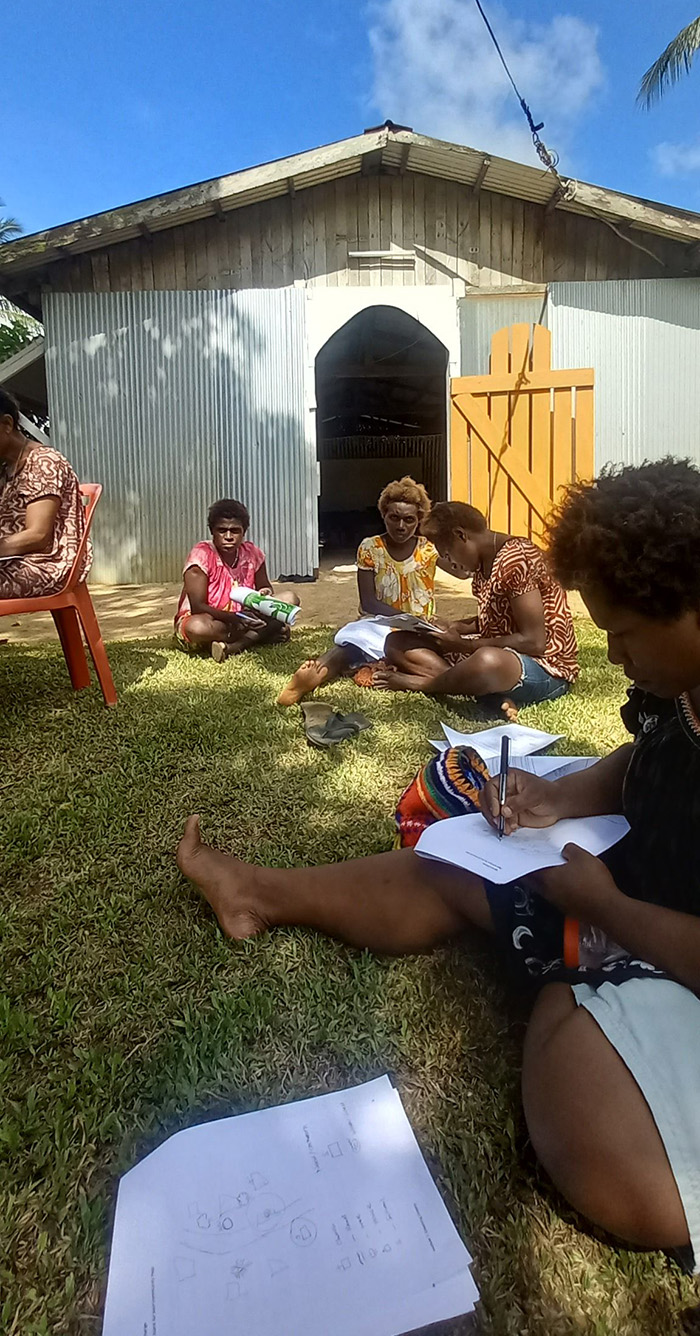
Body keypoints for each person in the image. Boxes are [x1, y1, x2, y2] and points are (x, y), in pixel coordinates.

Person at [178, 458, 700, 1270]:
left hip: (662, 933)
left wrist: (610, 909)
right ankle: (257, 893)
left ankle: (582, 983)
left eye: (627, 632)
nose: (616, 653)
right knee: (456, 859)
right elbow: (647, 760)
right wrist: (559, 798)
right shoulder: (680, 690)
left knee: (613, 1162)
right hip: (639, 897)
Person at [374, 501, 578, 715]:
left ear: (461, 535)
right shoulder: (482, 565)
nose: (451, 563)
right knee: (398, 642)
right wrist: (455, 627)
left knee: (486, 661)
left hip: (544, 667)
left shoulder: (517, 558)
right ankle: (484, 692)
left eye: (447, 554)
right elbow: (497, 619)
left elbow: (534, 642)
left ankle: (423, 684)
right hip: (501, 656)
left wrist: (466, 646)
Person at [278, 476, 440, 705]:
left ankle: (378, 666)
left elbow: (463, 570)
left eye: (409, 519)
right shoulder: (370, 547)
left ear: (419, 520)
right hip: (378, 623)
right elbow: (369, 603)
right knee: (349, 646)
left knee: (420, 654)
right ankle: (312, 676)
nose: (401, 526)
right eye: (394, 517)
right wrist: (406, 619)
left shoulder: (429, 549)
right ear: (383, 514)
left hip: (418, 630)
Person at [175, 498, 299, 662]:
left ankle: (236, 645)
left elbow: (265, 587)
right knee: (197, 628)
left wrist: (264, 594)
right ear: (212, 531)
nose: (228, 537)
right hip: (213, 618)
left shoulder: (252, 553)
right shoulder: (201, 556)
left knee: (290, 599)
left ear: (244, 532)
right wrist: (234, 618)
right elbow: (198, 607)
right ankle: (262, 634)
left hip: (244, 616)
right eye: (222, 530)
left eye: (235, 531)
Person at [0, 388, 89, 599]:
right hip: (13, 562)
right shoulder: (7, 468)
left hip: (45, 565)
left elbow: (38, 536)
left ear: (7, 424)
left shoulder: (43, 463)